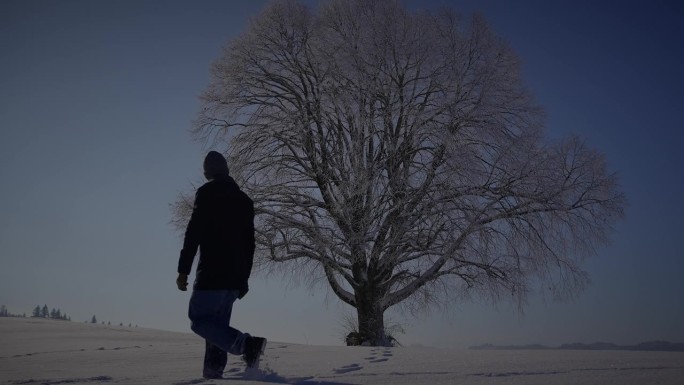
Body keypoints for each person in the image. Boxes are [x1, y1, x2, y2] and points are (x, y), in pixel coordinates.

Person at [176, 151, 266, 379]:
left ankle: (246, 345)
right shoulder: (245, 201)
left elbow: (193, 233)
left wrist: (183, 270)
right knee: (216, 330)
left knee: (199, 320)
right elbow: (250, 244)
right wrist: (244, 279)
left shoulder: (206, 193)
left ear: (207, 173)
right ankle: (213, 375)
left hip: (212, 274)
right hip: (234, 278)